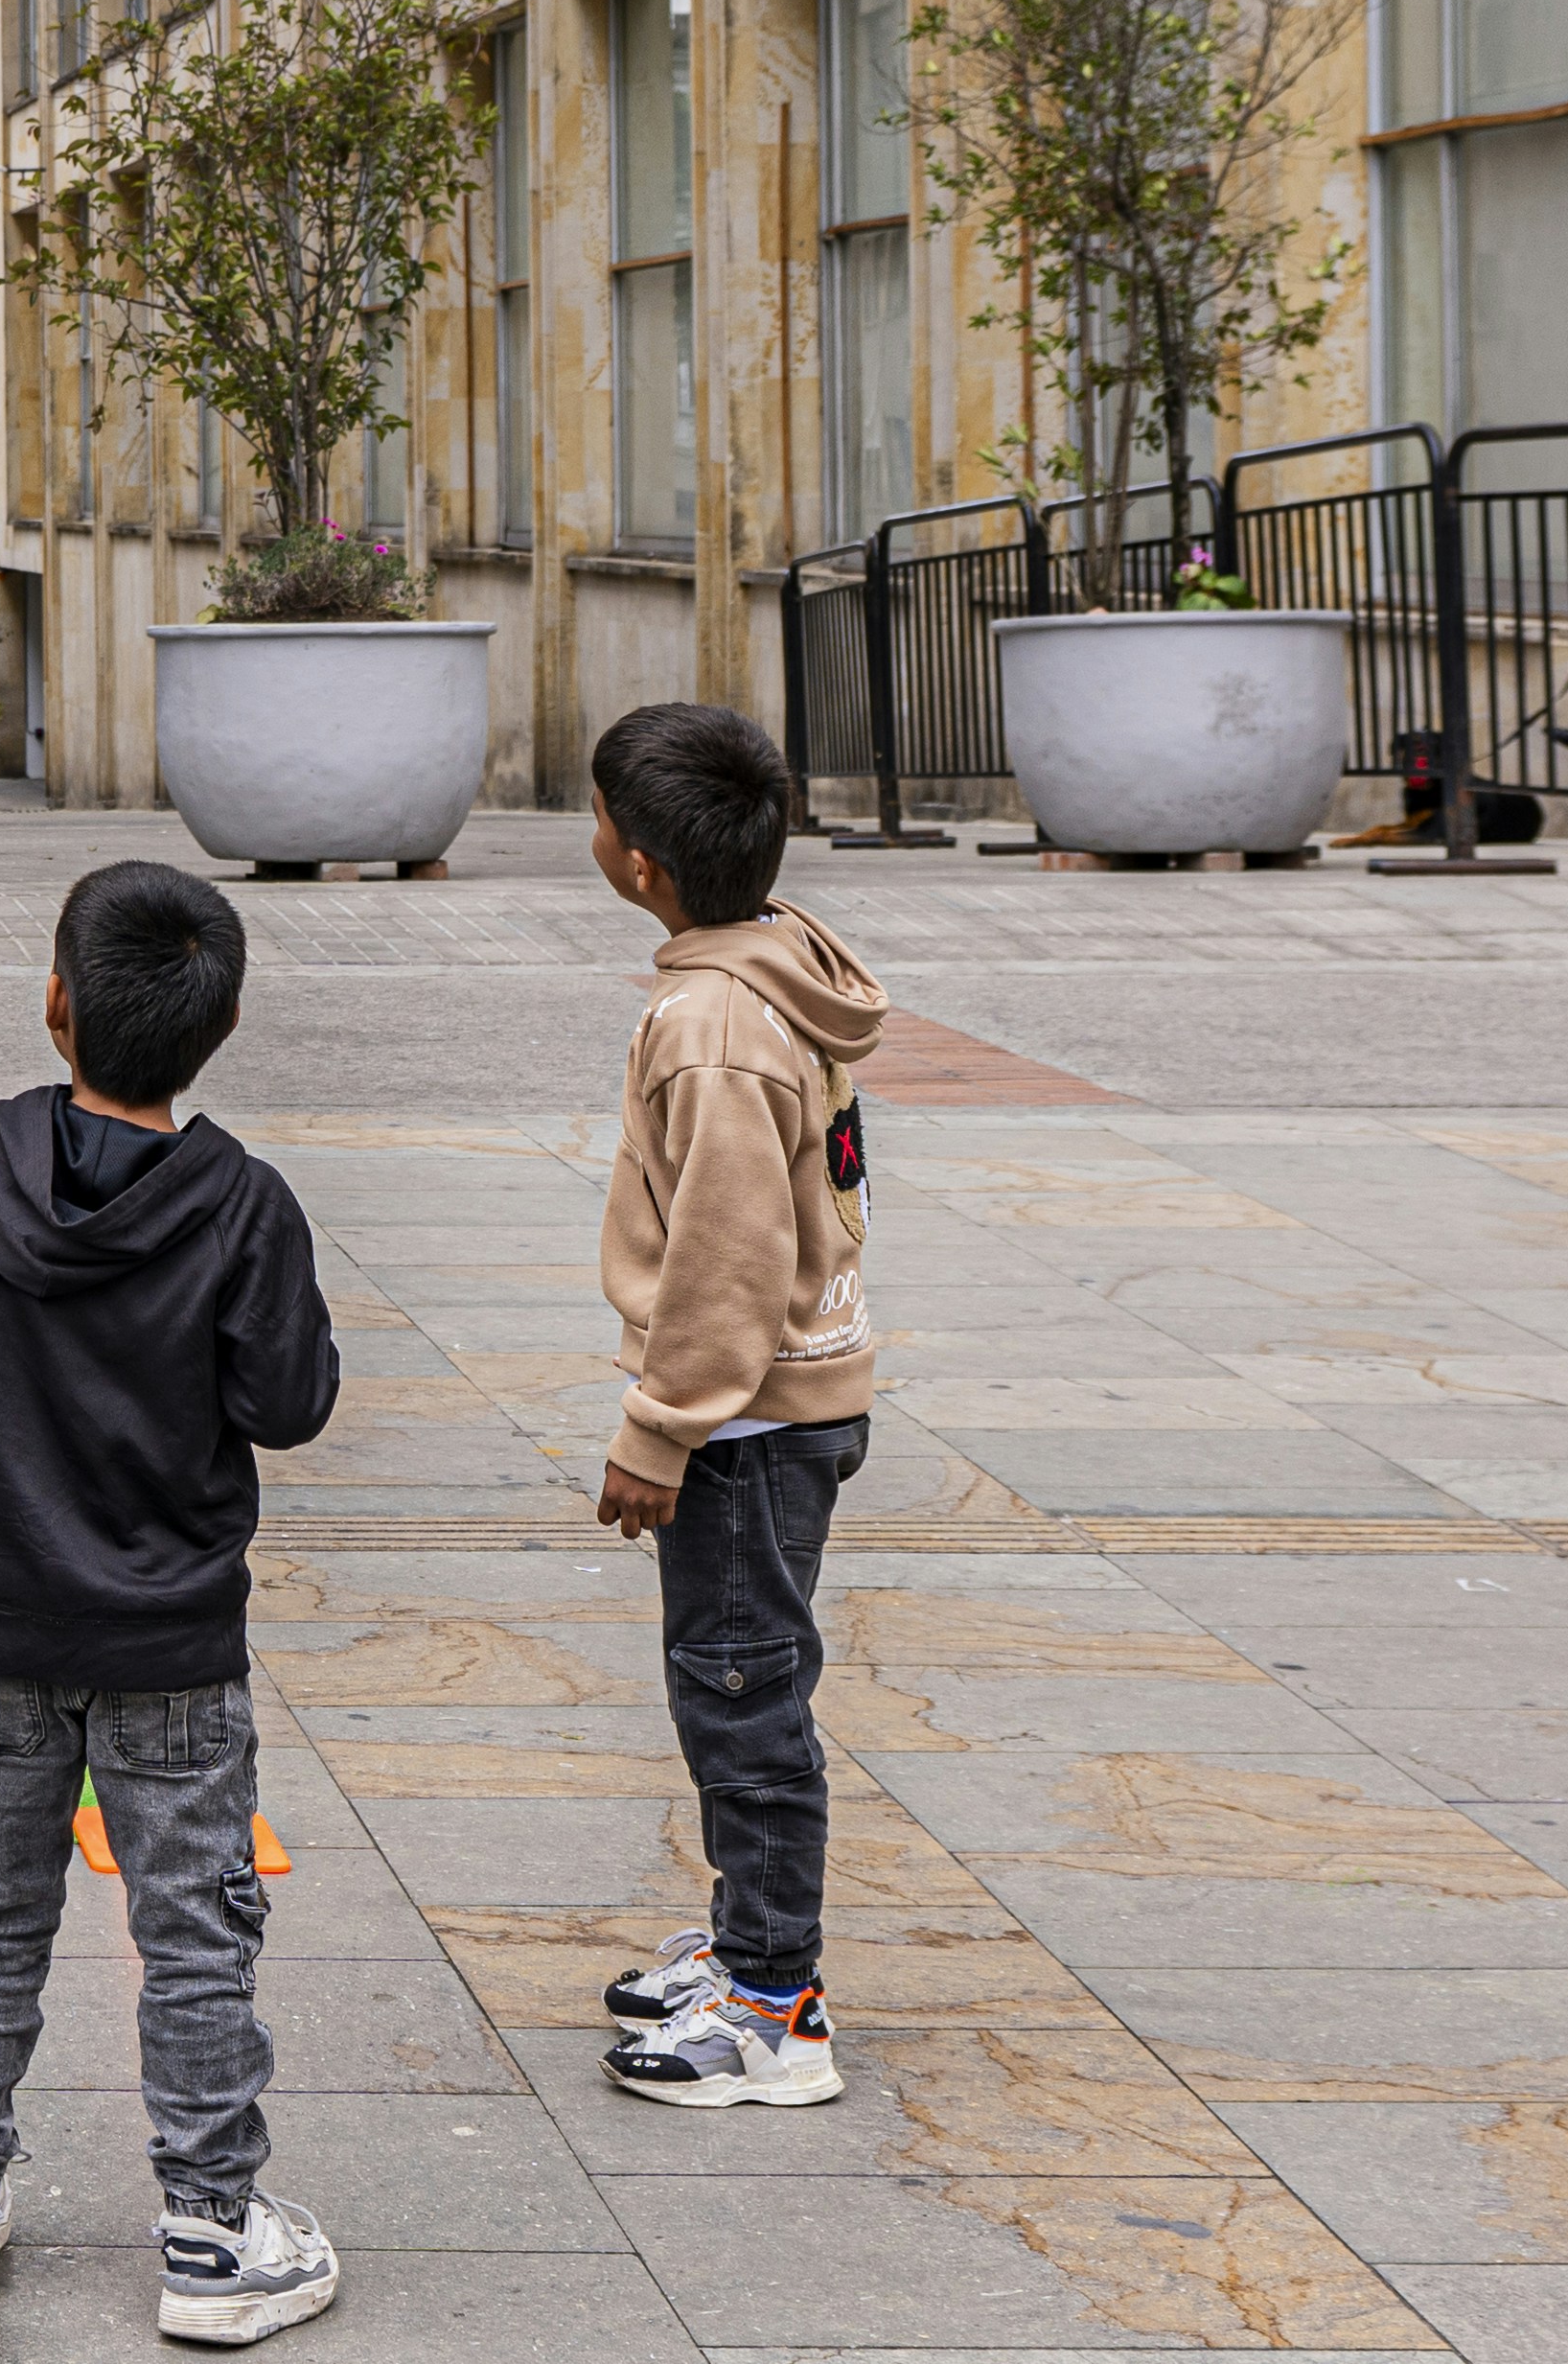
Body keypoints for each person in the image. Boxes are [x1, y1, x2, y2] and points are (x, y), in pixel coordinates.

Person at [0, 861, 347, 2342]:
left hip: (4, 1625)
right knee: (193, 1924)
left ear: (54, 1003)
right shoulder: (241, 1203)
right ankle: (208, 2224)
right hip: (171, 1645)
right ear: (220, 1026)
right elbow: (288, 1401)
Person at [582, 701, 888, 2113]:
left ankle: (773, 2006)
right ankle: (744, 1942)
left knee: (741, 1701)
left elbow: (725, 1254)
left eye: (597, 819)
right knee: (737, 1682)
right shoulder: (774, 964)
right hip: (782, 1402)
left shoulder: (710, 1024)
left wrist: (658, 1427)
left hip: (746, 1420)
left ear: (639, 862)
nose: (593, 836)